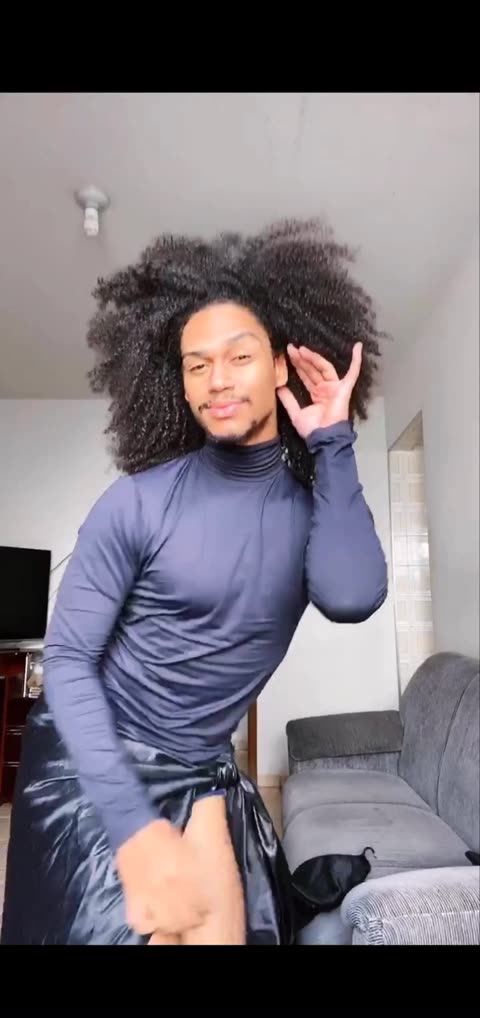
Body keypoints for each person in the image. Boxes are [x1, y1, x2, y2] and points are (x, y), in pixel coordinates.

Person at [1, 218, 388, 946]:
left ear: (281, 367)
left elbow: (352, 595)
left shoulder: (312, 514)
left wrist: (334, 442)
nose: (217, 380)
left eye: (240, 356)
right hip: (93, 763)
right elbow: (70, 663)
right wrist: (134, 830)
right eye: (195, 364)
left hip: (202, 766)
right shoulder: (136, 503)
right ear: (178, 381)